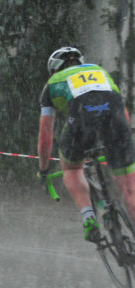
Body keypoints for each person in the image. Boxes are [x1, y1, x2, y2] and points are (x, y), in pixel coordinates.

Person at [38, 46, 135, 242]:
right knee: (129, 191)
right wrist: (121, 140)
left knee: (71, 168)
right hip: (115, 119)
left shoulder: (52, 84)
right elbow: (123, 115)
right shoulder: (101, 72)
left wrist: (44, 168)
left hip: (81, 118)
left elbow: (45, 135)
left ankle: (89, 217)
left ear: (54, 69)